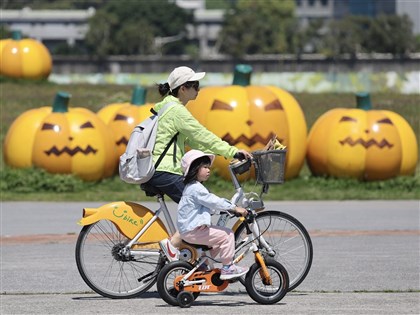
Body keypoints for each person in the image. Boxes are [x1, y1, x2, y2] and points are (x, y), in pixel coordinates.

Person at [141, 66, 251, 257]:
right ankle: (172, 245)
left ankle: (196, 256)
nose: (198, 89)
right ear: (183, 88)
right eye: (195, 85)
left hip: (160, 170)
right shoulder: (176, 111)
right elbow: (202, 135)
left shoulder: (169, 108)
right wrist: (232, 151)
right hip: (164, 171)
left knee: (199, 206)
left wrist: (221, 154)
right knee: (200, 202)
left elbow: (195, 142)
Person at [176, 149, 249, 280]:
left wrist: (225, 209)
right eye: (204, 167)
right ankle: (228, 268)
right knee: (227, 235)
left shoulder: (192, 187)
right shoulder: (196, 188)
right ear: (194, 169)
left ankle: (203, 265)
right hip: (193, 230)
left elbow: (207, 205)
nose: (208, 170)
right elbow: (212, 200)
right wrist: (234, 208)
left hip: (190, 230)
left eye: (208, 167)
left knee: (216, 243)